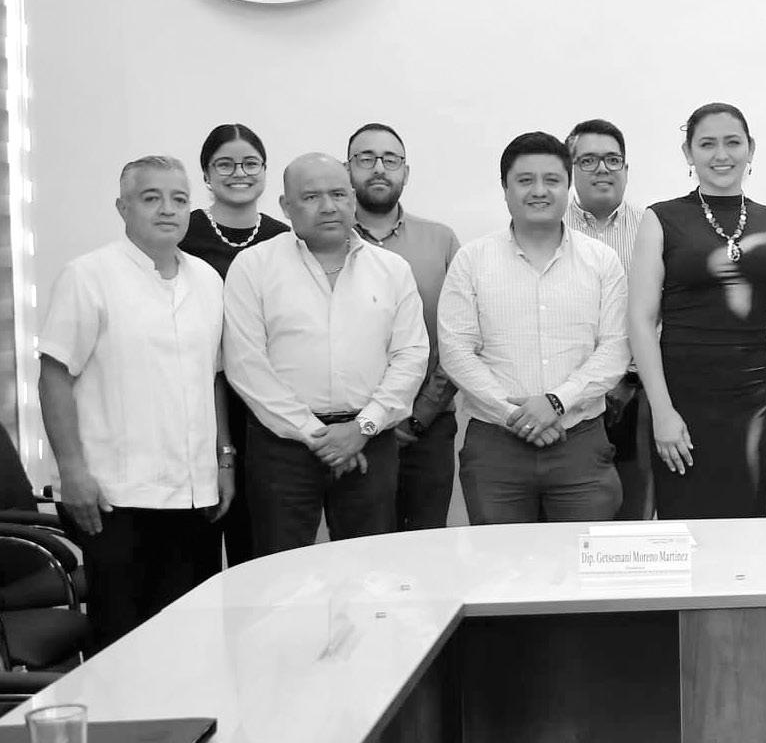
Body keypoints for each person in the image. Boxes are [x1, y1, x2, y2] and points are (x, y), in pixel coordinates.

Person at [40, 156, 229, 651]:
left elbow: (213, 378)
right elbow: (55, 376)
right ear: (122, 208)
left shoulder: (207, 280)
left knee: (189, 640)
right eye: (151, 198)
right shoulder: (88, 276)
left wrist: (224, 460)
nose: (167, 209)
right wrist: (72, 470)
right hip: (115, 496)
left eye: (179, 199)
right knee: (122, 642)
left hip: (194, 494)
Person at [222, 154, 430, 556]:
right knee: (280, 571)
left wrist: (361, 428)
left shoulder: (392, 269)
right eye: (311, 197)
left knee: (368, 571)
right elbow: (246, 364)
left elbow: (411, 355)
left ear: (353, 198)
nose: (328, 206)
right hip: (282, 447)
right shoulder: (253, 266)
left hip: (370, 441)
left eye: (338, 194)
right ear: (285, 206)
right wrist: (316, 436)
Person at [439, 131, 631, 524]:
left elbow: (615, 348)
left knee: (583, 558)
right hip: (496, 446)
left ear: (568, 185)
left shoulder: (602, 261)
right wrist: (515, 414)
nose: (539, 191)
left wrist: (556, 402)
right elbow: (456, 350)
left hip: (579, 441)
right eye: (525, 180)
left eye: (552, 180)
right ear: (505, 188)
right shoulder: (471, 260)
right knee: (501, 560)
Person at [628, 103, 766, 519]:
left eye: (733, 142)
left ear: (750, 148)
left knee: (747, 519)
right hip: (681, 396)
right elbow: (641, 322)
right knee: (686, 526)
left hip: (752, 399)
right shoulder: (661, 218)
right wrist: (662, 412)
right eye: (707, 144)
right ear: (688, 153)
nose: (721, 155)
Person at [180, 124, 288, 566]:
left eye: (249, 163)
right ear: (206, 174)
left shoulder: (285, 238)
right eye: (224, 164)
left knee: (258, 548)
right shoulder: (183, 232)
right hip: (198, 397)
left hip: (264, 404)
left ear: (264, 170)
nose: (238, 173)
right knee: (197, 546)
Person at [347, 122, 463, 532]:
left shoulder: (440, 241)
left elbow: (460, 338)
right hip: (349, 430)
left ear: (406, 172)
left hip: (426, 428)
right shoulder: (323, 240)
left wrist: (417, 417)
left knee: (424, 549)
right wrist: (366, 422)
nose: (379, 168)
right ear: (347, 170)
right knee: (359, 549)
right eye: (366, 158)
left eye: (390, 159)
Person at [564, 118, 655, 520]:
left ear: (626, 169)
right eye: (588, 160)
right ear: (570, 169)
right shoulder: (550, 229)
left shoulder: (653, 228)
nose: (602, 169)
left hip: (637, 395)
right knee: (572, 521)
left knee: (634, 518)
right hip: (569, 395)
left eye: (612, 159)